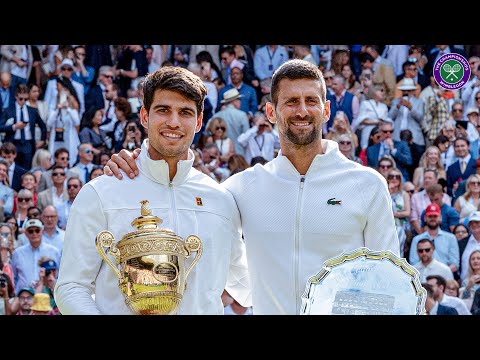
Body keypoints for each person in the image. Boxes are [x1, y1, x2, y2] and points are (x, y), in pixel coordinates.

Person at [105, 59, 400, 315]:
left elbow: (389, 283)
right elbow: (177, 195)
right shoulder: (239, 189)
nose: (301, 111)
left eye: (311, 101)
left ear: (326, 111)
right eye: (291, 102)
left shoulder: (367, 185)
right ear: (271, 112)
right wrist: (138, 165)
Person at [54, 65, 251, 315]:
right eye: (163, 110)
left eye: (185, 112)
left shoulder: (220, 200)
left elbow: (247, 287)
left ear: (199, 121)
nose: (174, 122)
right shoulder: (102, 192)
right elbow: (71, 287)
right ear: (144, 116)